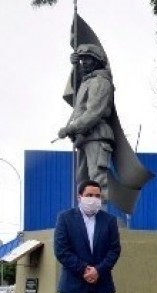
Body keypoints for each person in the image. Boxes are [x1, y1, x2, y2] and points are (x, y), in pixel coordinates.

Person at [57, 44, 115, 202]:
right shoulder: (87, 81)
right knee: (82, 180)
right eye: (81, 59)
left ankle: (100, 217)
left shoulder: (100, 81)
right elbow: (77, 96)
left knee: (97, 180)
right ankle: (84, 216)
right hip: (85, 137)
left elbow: (94, 112)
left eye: (87, 59)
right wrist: (74, 66)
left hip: (97, 135)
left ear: (97, 61)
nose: (83, 62)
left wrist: (71, 128)